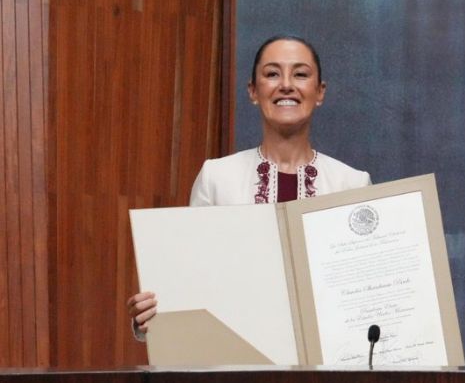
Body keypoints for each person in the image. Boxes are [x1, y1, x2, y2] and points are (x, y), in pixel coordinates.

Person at [127, 35, 371, 340]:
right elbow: (190, 279)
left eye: (300, 74)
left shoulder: (352, 183)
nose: (286, 85)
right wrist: (151, 318)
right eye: (271, 74)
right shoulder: (216, 178)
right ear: (253, 91)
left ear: (319, 92)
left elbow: (364, 296)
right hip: (236, 363)